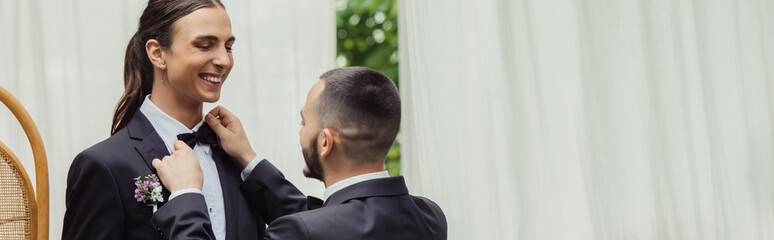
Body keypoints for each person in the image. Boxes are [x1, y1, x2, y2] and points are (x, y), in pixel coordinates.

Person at [62, 1, 304, 239]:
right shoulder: (104, 165)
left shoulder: (238, 161)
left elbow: (315, 227)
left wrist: (249, 160)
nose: (224, 61)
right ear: (157, 54)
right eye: (205, 45)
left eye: (228, 47)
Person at [151, 67, 448, 239]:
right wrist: (248, 159)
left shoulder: (300, 232)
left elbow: (316, 227)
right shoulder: (430, 217)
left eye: (304, 122)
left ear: (325, 143)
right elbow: (329, 223)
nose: (300, 131)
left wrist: (187, 194)